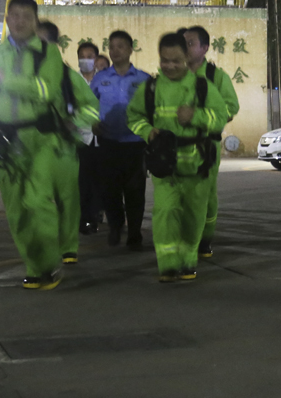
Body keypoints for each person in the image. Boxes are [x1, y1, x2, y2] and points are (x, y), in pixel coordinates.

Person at [0, 0, 100, 290]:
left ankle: (52, 261)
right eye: (15, 15)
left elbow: (45, 90)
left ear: (35, 22)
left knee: (39, 201)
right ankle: (35, 268)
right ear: (7, 20)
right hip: (6, 143)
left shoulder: (49, 54)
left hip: (44, 140)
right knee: (17, 212)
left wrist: (3, 79)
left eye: (27, 16)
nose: (20, 21)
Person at [126, 33, 228, 282]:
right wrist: (148, 132)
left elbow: (220, 118)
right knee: (165, 212)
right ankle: (168, 264)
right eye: (165, 60)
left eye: (176, 61)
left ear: (187, 58)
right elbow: (134, 117)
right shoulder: (150, 88)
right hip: (165, 166)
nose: (170, 66)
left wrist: (196, 116)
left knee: (193, 216)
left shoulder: (203, 87)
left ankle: (188, 260)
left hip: (197, 166)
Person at [180, 25, 239, 259]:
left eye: (190, 43)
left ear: (204, 48)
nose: (185, 47)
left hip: (206, 145)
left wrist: (201, 117)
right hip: (178, 145)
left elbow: (231, 108)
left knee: (205, 193)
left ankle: (204, 239)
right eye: (183, 43)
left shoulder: (216, 77)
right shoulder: (174, 75)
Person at [91, 30, 150, 250]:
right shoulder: (100, 78)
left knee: (135, 192)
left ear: (130, 49)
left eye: (120, 46)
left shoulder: (143, 79)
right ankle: (115, 226)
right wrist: (92, 122)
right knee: (110, 191)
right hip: (108, 142)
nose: (115, 51)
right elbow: (89, 105)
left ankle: (134, 234)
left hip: (135, 144)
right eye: (112, 47)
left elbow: (152, 108)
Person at [76, 41, 101, 233]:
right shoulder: (72, 82)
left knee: (99, 181)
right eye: (82, 57)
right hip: (80, 138)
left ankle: (96, 214)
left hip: (101, 138)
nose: (86, 60)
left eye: (90, 56)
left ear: (96, 59)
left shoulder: (103, 80)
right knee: (82, 182)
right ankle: (85, 219)